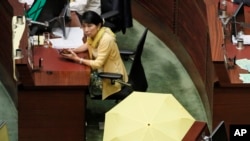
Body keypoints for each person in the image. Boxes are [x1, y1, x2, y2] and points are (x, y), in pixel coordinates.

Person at [61, 11, 128, 100]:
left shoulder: (106, 39)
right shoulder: (94, 33)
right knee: (77, 75)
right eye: (84, 26)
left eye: (89, 26)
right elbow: (88, 44)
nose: (86, 30)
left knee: (79, 79)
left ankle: (78, 105)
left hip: (110, 78)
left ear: (99, 25)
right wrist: (73, 50)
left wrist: (78, 59)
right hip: (101, 70)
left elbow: (98, 64)